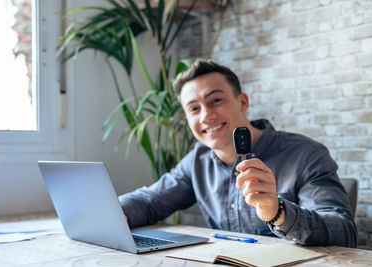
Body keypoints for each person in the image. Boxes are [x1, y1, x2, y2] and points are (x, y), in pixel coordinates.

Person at [119, 59, 357, 247]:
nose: (206, 115)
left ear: (243, 102)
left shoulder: (306, 155)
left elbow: (343, 232)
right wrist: (111, 210)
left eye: (216, 100)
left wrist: (278, 212)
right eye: (193, 108)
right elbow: (150, 201)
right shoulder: (197, 160)